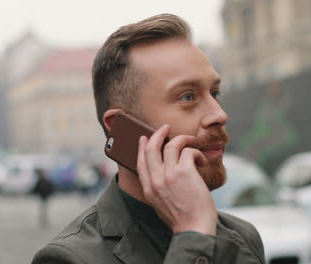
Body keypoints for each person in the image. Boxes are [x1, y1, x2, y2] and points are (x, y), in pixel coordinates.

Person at [32, 14, 265, 264]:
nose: (219, 114)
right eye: (188, 96)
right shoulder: (68, 258)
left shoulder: (244, 235)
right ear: (120, 127)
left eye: (215, 93)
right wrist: (194, 235)